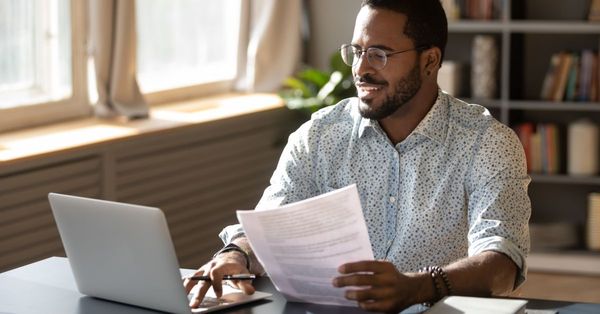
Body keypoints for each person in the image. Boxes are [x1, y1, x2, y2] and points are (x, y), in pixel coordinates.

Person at [184, 0, 531, 312]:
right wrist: (236, 254)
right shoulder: (320, 134)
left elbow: (502, 263)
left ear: (429, 61)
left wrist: (417, 287)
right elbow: (270, 226)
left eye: (379, 55)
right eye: (357, 51)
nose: (361, 70)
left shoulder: (487, 143)